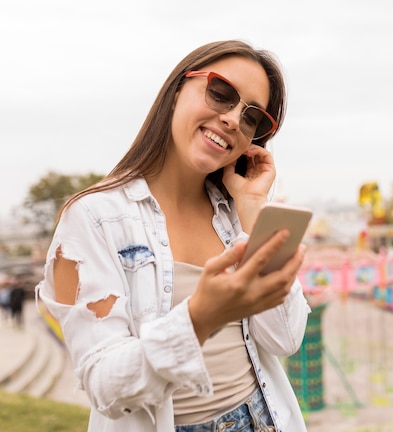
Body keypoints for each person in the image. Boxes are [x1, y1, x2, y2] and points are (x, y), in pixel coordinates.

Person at [36, 40, 310, 432]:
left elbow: (286, 338)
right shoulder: (92, 218)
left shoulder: (238, 214)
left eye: (252, 118)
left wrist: (254, 210)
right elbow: (103, 385)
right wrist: (199, 318)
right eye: (220, 93)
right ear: (177, 89)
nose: (233, 119)